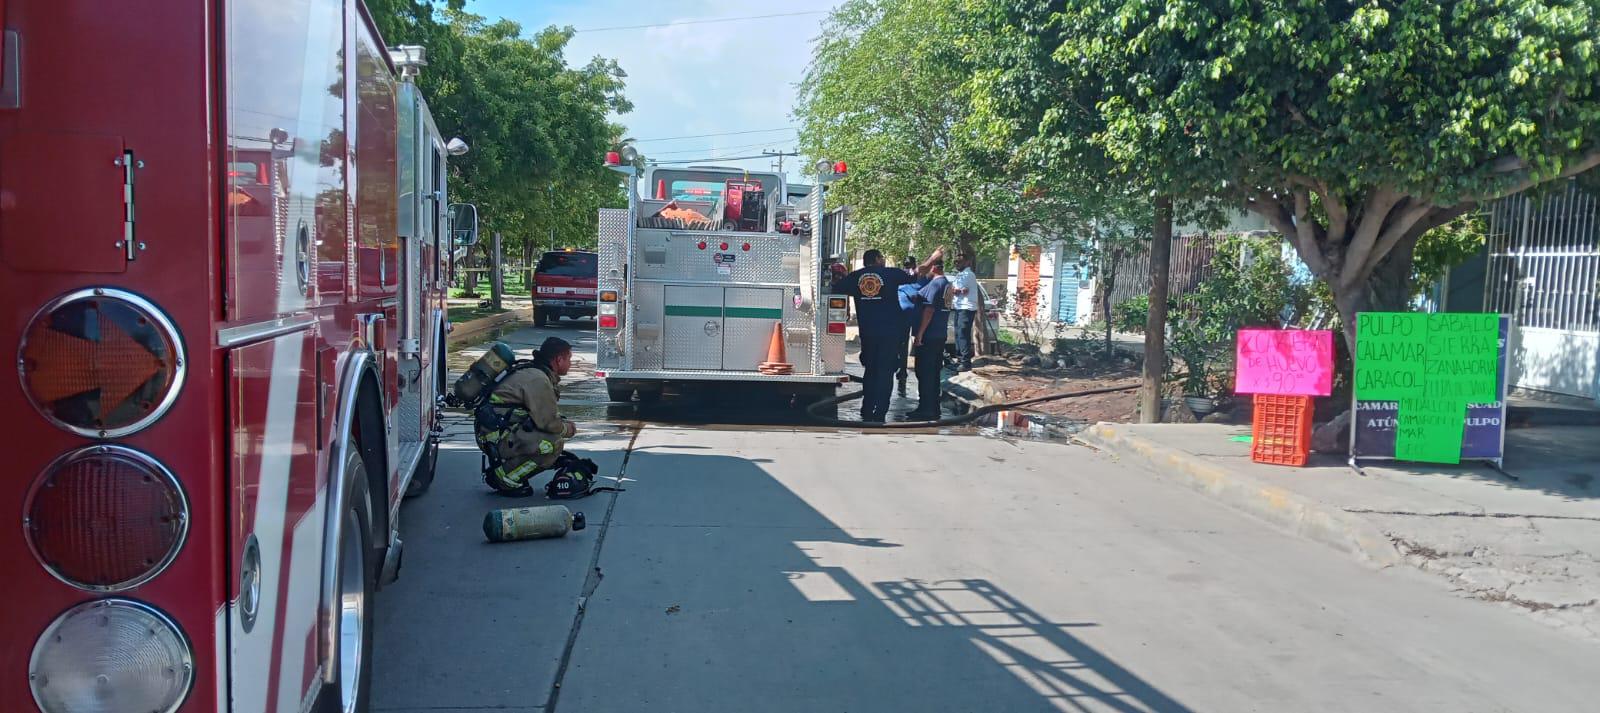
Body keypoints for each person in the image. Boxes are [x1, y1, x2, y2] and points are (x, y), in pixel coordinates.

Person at [835, 249, 934, 422]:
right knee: (885, 373)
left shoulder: (855, 277)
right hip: (889, 333)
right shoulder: (890, 273)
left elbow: (836, 288)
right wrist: (933, 257)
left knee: (871, 372)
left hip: (868, 334)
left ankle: (867, 410)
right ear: (877, 259)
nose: (883, 261)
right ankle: (879, 413)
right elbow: (918, 272)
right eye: (882, 258)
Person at [479, 337, 579, 494]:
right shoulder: (538, 380)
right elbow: (549, 423)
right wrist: (570, 429)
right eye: (569, 359)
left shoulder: (533, 372)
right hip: (496, 437)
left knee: (550, 438)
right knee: (553, 443)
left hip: (493, 432)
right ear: (559, 360)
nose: (571, 364)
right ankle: (505, 477)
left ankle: (507, 468)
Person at [909, 257, 952, 421]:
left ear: (934, 268)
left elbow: (929, 310)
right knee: (933, 373)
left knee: (924, 372)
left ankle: (925, 408)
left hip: (929, 334)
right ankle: (933, 407)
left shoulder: (935, 284)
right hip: (940, 334)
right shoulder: (947, 283)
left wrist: (919, 333)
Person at [948, 253, 980, 371]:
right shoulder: (959, 275)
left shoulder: (968, 274)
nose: (957, 264)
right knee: (958, 334)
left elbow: (958, 291)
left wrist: (956, 290)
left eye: (959, 262)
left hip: (966, 308)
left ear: (967, 262)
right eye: (955, 262)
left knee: (963, 334)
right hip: (959, 307)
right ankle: (959, 360)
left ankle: (966, 362)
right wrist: (956, 290)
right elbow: (955, 290)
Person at [895, 255, 921, 396]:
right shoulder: (911, 278)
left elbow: (916, 294)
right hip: (907, 317)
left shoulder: (911, 278)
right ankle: (903, 371)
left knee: (908, 345)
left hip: (911, 316)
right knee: (906, 345)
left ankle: (904, 371)